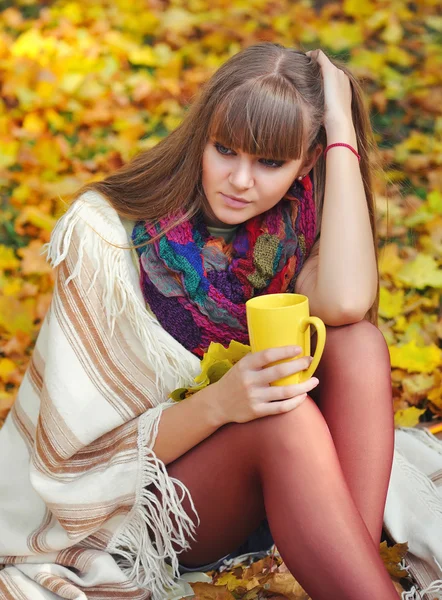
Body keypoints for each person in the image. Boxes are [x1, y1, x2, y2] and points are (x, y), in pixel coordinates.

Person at [0, 43, 401, 600]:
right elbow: (76, 459)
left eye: (270, 162)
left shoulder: (291, 225)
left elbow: (348, 304)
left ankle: (341, 573)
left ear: (307, 163)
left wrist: (341, 130)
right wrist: (220, 405)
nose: (240, 180)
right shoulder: (108, 238)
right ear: (201, 134)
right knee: (287, 419)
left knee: (358, 346)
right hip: (132, 507)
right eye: (225, 150)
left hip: (249, 478)